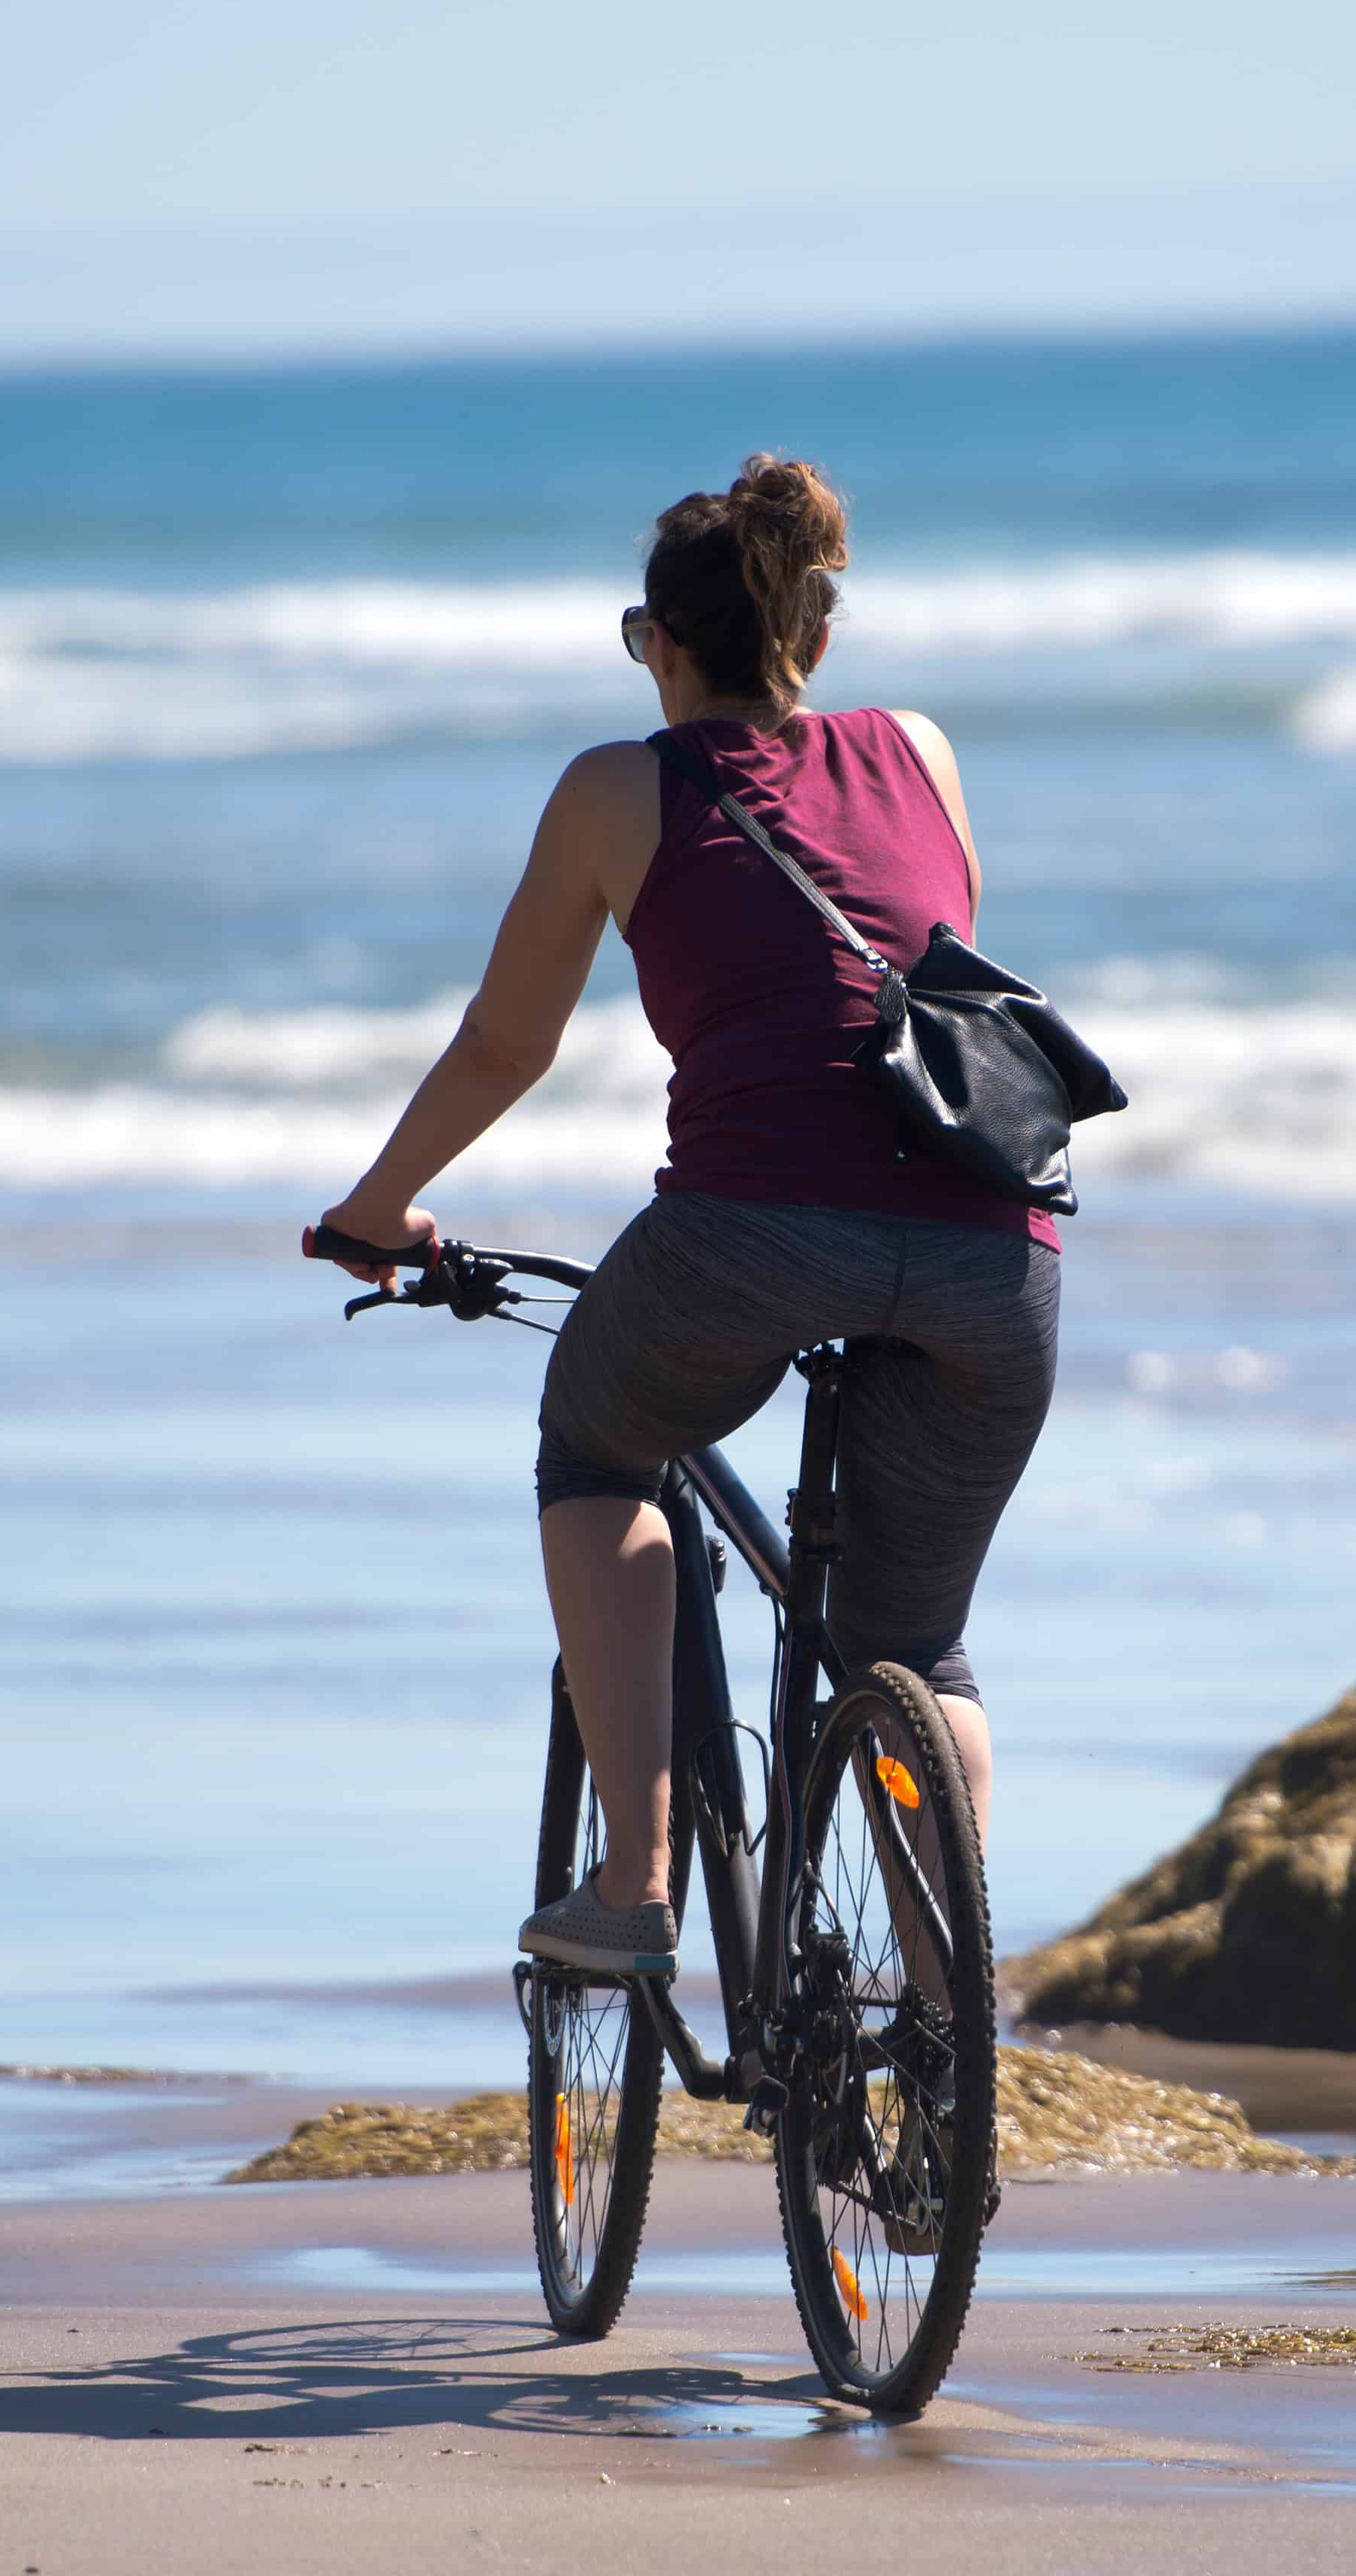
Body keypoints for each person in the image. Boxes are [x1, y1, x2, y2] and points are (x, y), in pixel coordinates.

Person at [310, 454, 1056, 1981]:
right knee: (911, 1646)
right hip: (1000, 1241)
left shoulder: (613, 786)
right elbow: (927, 951)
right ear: (816, 637)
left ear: (654, 640)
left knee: (595, 1441)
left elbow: (504, 1044)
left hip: (753, 1228)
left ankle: (633, 1883)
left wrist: (378, 1207)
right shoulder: (918, 745)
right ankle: (947, 2030)